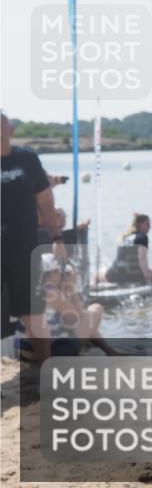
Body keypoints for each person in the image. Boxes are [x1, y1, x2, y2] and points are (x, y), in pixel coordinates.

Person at [1, 112, 66, 361]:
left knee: (34, 316)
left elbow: (44, 200)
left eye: (0, 124)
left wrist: (57, 238)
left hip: (24, 252)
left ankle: (46, 369)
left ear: (11, 130)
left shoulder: (26, 159)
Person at [101, 213, 152, 290]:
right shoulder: (142, 237)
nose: (150, 227)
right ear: (140, 224)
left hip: (114, 274)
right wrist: (147, 280)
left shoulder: (126, 236)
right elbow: (142, 259)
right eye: (147, 224)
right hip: (132, 275)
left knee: (98, 275)